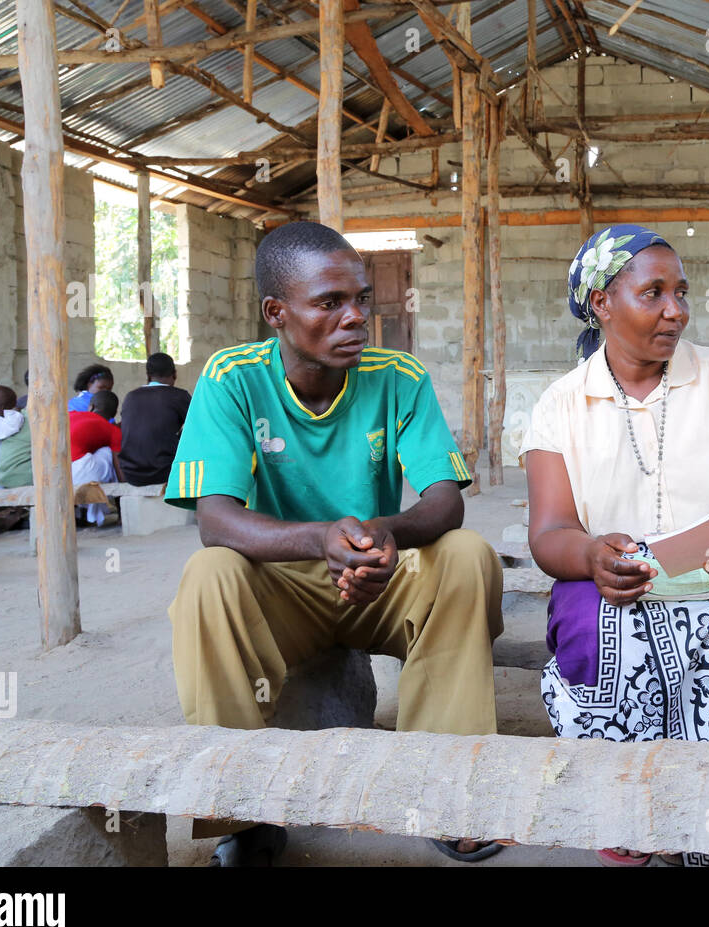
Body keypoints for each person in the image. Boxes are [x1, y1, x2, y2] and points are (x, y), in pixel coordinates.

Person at [164, 221, 503, 867]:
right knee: (209, 574)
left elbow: (443, 500)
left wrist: (386, 533)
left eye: (361, 301)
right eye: (330, 303)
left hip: (379, 578)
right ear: (277, 313)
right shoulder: (232, 378)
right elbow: (216, 519)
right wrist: (320, 538)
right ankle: (242, 811)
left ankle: (446, 786)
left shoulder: (398, 376)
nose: (355, 319)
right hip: (283, 586)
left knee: (466, 554)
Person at [521, 225, 709, 868]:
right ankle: (629, 808)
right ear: (602, 302)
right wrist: (591, 559)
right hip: (612, 575)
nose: (676, 310)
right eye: (654, 293)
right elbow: (550, 533)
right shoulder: (560, 403)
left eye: (682, 293)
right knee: (602, 634)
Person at [118, 352, 191, 486]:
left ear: (148, 375)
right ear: (174, 374)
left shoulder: (131, 397)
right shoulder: (179, 396)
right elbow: (197, 427)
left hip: (131, 474)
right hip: (164, 473)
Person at [70, 390, 123, 525]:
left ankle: (80, 514)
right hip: (77, 475)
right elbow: (119, 468)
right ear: (114, 414)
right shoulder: (113, 430)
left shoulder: (71, 414)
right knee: (107, 451)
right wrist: (127, 491)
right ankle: (120, 515)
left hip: (49, 471)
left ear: (91, 407)